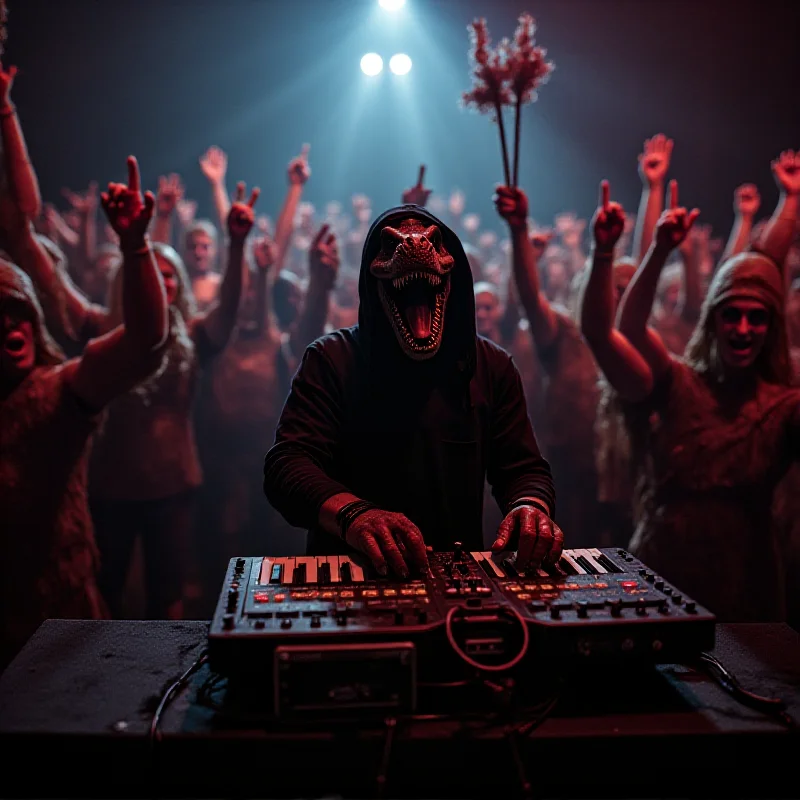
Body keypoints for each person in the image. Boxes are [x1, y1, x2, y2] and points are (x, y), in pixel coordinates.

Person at [264, 204, 561, 576]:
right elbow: (288, 464)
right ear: (372, 285)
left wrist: (529, 506)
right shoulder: (331, 359)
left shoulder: (492, 366)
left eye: (430, 241)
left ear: (454, 278)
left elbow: (523, 468)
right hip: (351, 576)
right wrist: (355, 515)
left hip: (455, 580)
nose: (414, 244)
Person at [580, 152, 800, 621]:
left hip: (749, 587)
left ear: (773, 327)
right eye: (731, 315)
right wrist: (654, 249)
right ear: (712, 320)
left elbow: (766, 261)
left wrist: (789, 201)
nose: (742, 328)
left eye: (757, 317)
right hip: (665, 576)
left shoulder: (784, 406)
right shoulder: (679, 382)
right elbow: (619, 330)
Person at [0, 156, 168, 666]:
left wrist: (136, 247)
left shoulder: (55, 391)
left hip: (61, 626)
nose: (12, 328)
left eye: (19, 312)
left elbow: (143, 345)